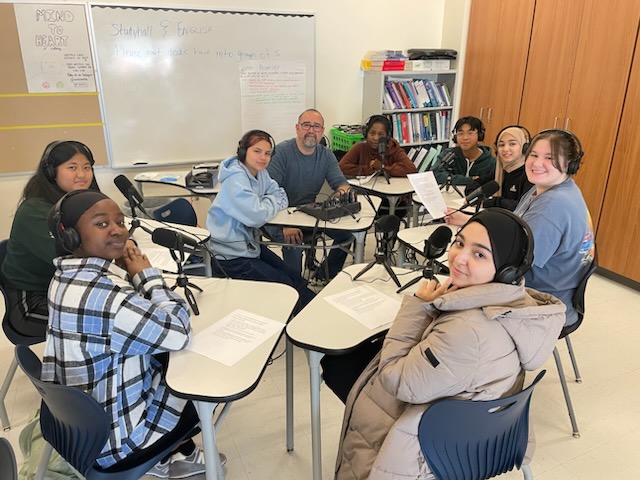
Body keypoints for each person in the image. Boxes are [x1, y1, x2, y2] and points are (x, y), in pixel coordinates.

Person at [333, 208, 566, 479]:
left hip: (424, 447)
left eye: (479, 254)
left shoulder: (467, 331)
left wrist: (418, 308)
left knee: (336, 363)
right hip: (474, 434)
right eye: (460, 243)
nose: (459, 258)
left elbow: (396, 381)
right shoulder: (515, 303)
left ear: (506, 270)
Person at [41, 189, 214, 478]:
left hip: (77, 432)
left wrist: (126, 274)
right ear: (70, 236)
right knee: (201, 383)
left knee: (164, 360)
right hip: (118, 445)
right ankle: (166, 457)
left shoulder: (63, 278)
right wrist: (145, 275)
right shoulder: (109, 298)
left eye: (120, 222)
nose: (117, 231)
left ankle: (176, 453)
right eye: (101, 224)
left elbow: (127, 321)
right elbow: (179, 331)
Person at [446, 129, 595, 326]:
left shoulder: (551, 208)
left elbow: (513, 268)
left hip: (543, 303)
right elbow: (514, 230)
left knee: (452, 294)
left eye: (549, 158)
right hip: (553, 290)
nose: (537, 163)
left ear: (570, 163)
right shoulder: (551, 188)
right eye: (533, 155)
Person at [207, 129, 315, 314]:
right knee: (286, 288)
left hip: (249, 246)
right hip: (230, 257)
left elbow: (281, 195)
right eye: (257, 151)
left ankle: (315, 310)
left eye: (267, 153)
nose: (263, 157)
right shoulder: (236, 179)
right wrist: (266, 204)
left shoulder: (259, 172)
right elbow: (257, 216)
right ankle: (310, 319)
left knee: (292, 275)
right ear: (243, 152)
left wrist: (264, 204)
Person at [0, 140, 100, 337]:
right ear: (52, 172)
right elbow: (72, 261)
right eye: (72, 167)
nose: (82, 174)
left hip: (65, 289)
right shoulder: (35, 211)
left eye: (87, 167)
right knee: (108, 320)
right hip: (32, 302)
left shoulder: (78, 202)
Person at [266, 109, 353, 281]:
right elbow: (268, 193)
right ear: (297, 128)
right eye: (306, 125)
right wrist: (284, 226)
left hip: (310, 213)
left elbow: (341, 183)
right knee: (294, 240)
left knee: (347, 235)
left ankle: (323, 275)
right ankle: (294, 286)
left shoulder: (326, 155)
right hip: (280, 217)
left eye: (316, 126)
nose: (311, 130)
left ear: (322, 131)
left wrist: (343, 192)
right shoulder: (281, 153)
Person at [339, 114, 417, 218]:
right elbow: (341, 167)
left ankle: (391, 233)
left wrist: (383, 167)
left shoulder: (394, 149)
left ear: (387, 136)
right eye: (372, 133)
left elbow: (411, 169)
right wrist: (369, 169)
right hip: (368, 195)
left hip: (393, 199)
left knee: (392, 215)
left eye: (381, 135)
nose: (375, 138)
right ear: (366, 133)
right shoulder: (360, 148)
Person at [465, 125, 534, 211]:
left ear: (524, 148)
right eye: (501, 145)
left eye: (512, 144)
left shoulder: (530, 174)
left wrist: (488, 203)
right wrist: (474, 197)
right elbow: (474, 186)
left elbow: (521, 206)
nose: (505, 149)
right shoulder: (500, 170)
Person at [430, 116, 495, 186]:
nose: (465, 138)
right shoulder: (449, 154)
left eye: (470, 133)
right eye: (460, 133)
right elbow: (435, 175)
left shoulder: (490, 162)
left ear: (479, 135)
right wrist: (468, 180)